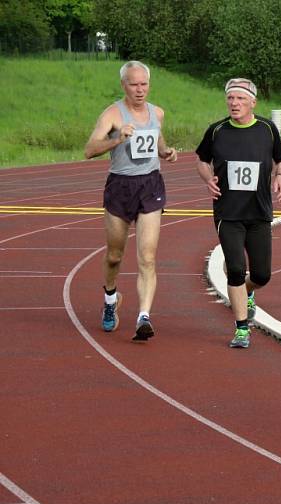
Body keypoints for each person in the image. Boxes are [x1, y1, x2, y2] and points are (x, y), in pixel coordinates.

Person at [84, 60, 178, 341]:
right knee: (114, 256)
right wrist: (116, 139)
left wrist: (166, 152)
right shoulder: (112, 114)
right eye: (134, 84)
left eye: (144, 84)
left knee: (147, 257)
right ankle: (111, 300)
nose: (140, 90)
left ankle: (143, 316)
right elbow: (89, 150)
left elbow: (157, 141)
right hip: (120, 187)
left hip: (150, 185)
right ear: (123, 85)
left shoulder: (157, 113)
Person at [196, 78, 281, 349]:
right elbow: (201, 160)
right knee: (235, 269)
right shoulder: (217, 131)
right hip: (228, 212)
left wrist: (280, 176)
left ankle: (248, 291)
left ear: (252, 102)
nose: (234, 103)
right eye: (230, 99)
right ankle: (241, 329)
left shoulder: (267, 130)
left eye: (240, 99)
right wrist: (207, 178)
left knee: (261, 275)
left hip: (259, 212)